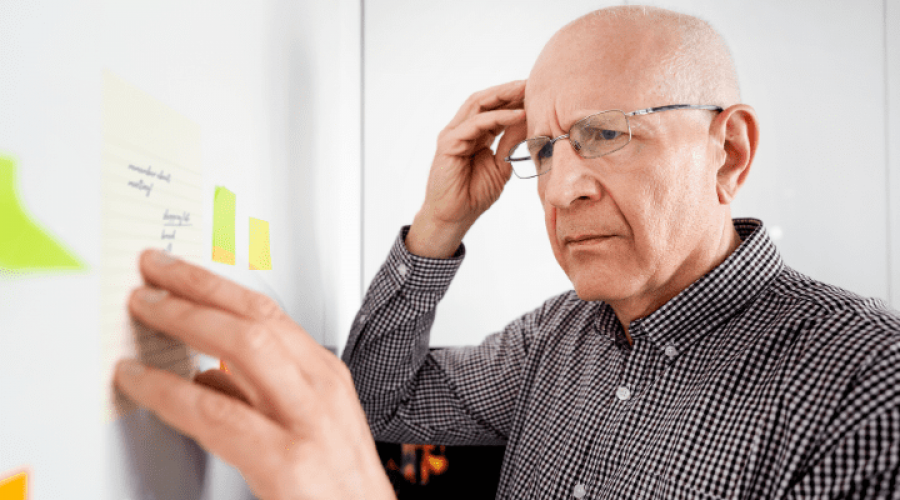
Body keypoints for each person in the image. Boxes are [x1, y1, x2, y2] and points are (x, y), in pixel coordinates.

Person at [113, 5, 900, 499]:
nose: (562, 190)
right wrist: (438, 224)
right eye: (547, 150)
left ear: (727, 152)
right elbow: (380, 401)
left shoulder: (868, 387)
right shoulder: (555, 338)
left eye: (607, 133)